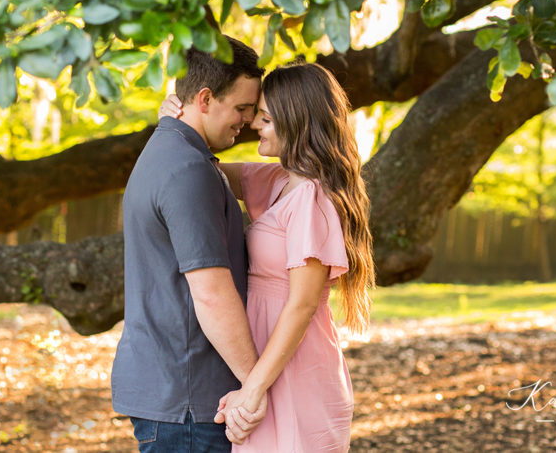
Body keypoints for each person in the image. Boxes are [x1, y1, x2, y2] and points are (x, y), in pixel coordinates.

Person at [161, 62, 375, 452]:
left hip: (294, 368)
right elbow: (200, 171)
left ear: (297, 124)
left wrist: (253, 388)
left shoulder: (311, 199)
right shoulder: (278, 182)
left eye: (266, 118)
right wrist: (177, 124)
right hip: (265, 363)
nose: (255, 125)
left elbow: (303, 304)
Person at [111, 36, 268, 452]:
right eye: (241, 109)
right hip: (189, 400)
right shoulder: (187, 170)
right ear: (203, 98)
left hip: (179, 395)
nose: (248, 122)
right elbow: (213, 294)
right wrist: (257, 385)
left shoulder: (174, 153)